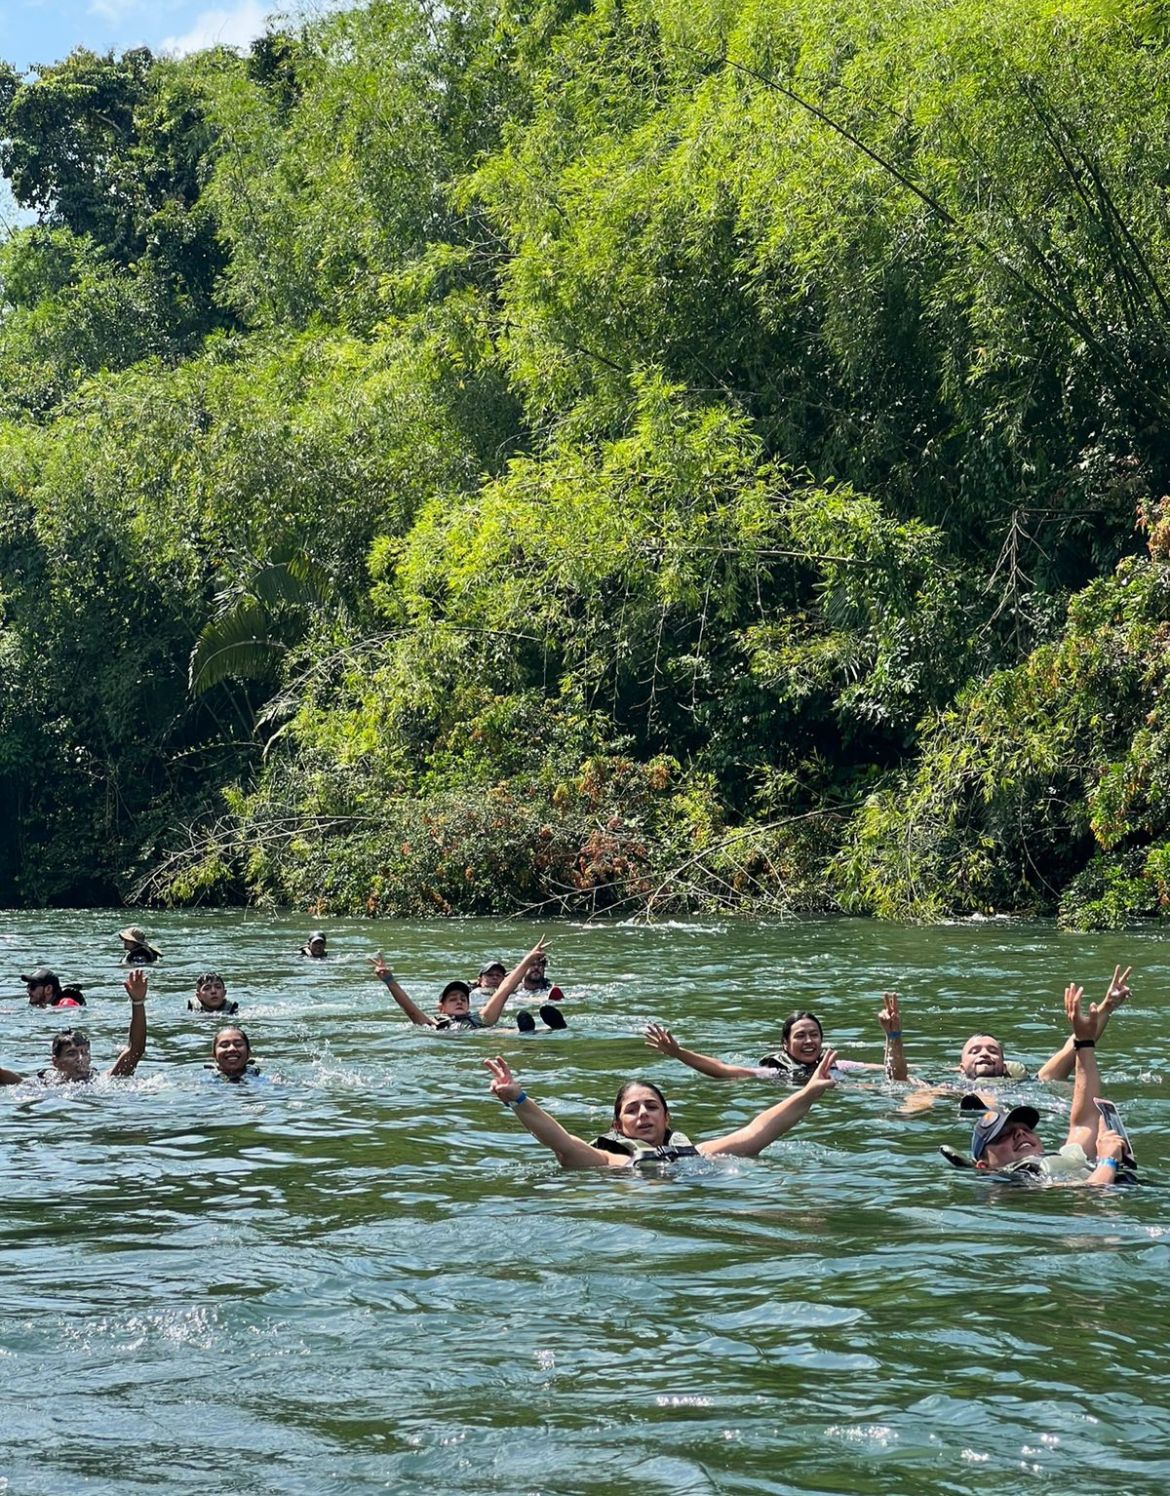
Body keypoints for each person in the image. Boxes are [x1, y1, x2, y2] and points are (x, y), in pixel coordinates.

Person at [482, 1049, 838, 1168]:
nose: (643, 1114)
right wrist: (517, 1099)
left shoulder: (694, 1154)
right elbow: (559, 1140)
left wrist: (808, 1092)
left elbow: (758, 1131)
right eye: (633, 1110)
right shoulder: (610, 1162)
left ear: (667, 1118)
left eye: (652, 1107)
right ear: (618, 1125)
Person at [962, 982, 1131, 1185]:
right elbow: (1089, 1202)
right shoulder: (1022, 1179)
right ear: (985, 1165)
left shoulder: (1059, 1159)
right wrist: (1108, 1161)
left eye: (1026, 1128)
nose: (1020, 1133)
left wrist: (1085, 1042)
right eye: (1004, 1134)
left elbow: (1084, 1124)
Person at [644, 993, 909, 1085]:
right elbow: (723, 1070)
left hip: (839, 1087)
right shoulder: (775, 1073)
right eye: (801, 1036)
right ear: (785, 1044)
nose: (809, 1041)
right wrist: (678, 1053)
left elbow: (894, 1076)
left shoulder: (840, 1066)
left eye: (814, 1035)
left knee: (915, 1085)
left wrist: (892, 1035)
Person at [0, 970, 149, 1085]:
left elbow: (136, 1050)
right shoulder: (45, 1084)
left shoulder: (102, 1081)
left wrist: (138, 1002)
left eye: (84, 1052)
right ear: (55, 1062)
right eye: (71, 1054)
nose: (81, 1059)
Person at [369, 941, 549, 1030]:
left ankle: (531, 1032)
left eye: (463, 998)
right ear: (441, 1007)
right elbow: (411, 1010)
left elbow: (505, 989)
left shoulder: (482, 1017)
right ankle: (529, 1033)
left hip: (484, 1032)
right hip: (454, 1038)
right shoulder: (435, 1024)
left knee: (502, 1032)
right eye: (453, 999)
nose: (459, 1001)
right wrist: (389, 981)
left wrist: (528, 960)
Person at [20, 967, 86, 1008]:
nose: (28, 991)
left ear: (48, 989)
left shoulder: (67, 1002)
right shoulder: (49, 1004)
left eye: (32, 987)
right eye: (28, 986)